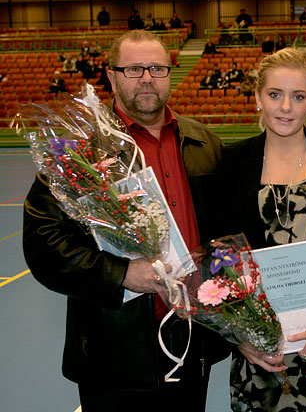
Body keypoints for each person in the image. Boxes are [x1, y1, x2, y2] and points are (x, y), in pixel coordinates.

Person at [22, 30, 228, 412]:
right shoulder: (78, 151)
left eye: (157, 68)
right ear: (113, 77)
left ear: (169, 73)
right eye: (134, 68)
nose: (147, 77)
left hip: (192, 342)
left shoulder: (205, 144)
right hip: (113, 352)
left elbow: (227, 237)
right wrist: (120, 274)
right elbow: (43, 244)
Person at [213, 47, 306, 411]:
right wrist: (243, 336)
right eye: (275, 95)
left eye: (298, 96)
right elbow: (222, 256)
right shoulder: (233, 162)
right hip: (259, 353)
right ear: (257, 98)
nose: (285, 107)